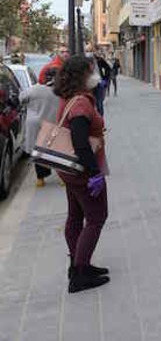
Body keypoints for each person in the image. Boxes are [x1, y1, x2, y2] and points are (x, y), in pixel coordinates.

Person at [54, 55, 110, 293]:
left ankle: (78, 264)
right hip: (82, 173)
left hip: (69, 172)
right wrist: (94, 173)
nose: (95, 75)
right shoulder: (81, 104)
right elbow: (80, 142)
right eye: (91, 71)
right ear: (81, 76)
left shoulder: (68, 98)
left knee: (75, 216)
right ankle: (80, 273)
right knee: (96, 218)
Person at [20, 67, 61, 188]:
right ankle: (61, 178)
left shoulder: (34, 89)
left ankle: (40, 179)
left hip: (35, 125)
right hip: (53, 124)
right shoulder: (60, 91)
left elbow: (21, 98)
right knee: (56, 152)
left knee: (38, 152)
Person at [93, 51, 111, 116]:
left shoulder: (99, 60)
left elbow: (108, 68)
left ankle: (100, 120)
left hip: (98, 84)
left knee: (99, 102)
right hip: (87, 85)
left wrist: (105, 79)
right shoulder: (83, 60)